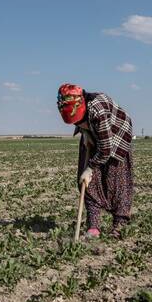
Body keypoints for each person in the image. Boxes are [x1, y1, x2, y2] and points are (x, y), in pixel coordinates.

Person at [57, 84, 134, 238]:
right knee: (87, 183)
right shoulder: (67, 103)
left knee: (117, 180)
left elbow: (106, 148)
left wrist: (90, 168)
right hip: (93, 131)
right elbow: (77, 119)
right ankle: (94, 226)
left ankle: (119, 224)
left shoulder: (98, 111)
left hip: (116, 135)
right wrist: (84, 131)